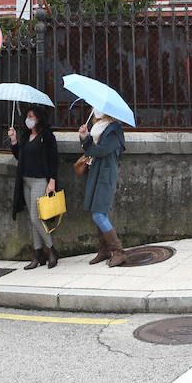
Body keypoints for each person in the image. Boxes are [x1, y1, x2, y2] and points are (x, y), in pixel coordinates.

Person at [9, 107, 60, 270]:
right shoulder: (25, 135)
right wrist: (14, 141)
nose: (28, 119)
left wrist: (52, 181)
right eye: (27, 116)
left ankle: (51, 249)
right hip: (26, 180)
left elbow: (54, 159)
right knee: (34, 220)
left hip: (40, 181)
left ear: (39, 118)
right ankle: (38, 253)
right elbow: (20, 156)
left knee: (35, 217)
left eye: (31, 116)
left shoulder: (47, 136)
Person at [79, 110, 127, 267]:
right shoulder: (99, 127)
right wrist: (85, 137)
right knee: (99, 212)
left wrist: (87, 140)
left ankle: (118, 251)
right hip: (96, 173)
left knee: (98, 214)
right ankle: (104, 250)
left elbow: (101, 151)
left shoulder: (114, 130)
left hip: (105, 175)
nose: (95, 109)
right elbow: (92, 149)